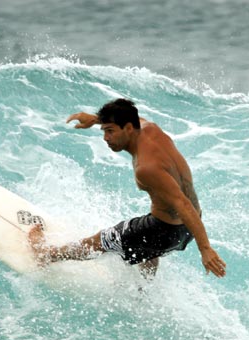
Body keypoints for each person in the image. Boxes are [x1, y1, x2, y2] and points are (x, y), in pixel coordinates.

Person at [28, 98, 227, 278]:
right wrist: (96, 120)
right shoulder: (151, 129)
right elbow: (132, 117)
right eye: (104, 130)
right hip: (189, 227)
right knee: (149, 247)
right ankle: (144, 291)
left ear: (129, 128)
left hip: (166, 229)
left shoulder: (146, 167)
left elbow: (182, 204)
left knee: (101, 241)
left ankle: (46, 255)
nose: (105, 138)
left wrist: (205, 249)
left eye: (110, 131)